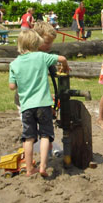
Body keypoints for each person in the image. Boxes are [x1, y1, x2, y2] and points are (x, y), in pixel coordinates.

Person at [9, 29, 69, 177]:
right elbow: (62, 58)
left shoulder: (14, 63)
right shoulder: (42, 57)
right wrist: (65, 67)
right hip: (43, 104)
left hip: (26, 106)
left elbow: (12, 87)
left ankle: (29, 169)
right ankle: (43, 165)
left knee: (28, 138)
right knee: (45, 135)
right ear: (37, 43)